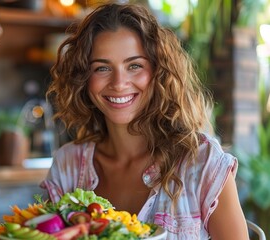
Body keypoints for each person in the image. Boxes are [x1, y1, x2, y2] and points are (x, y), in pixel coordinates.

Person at [40, 2, 249, 239]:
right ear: (83, 78)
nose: (119, 83)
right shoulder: (68, 166)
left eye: (135, 65)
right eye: (101, 68)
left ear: (159, 72)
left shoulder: (202, 162)